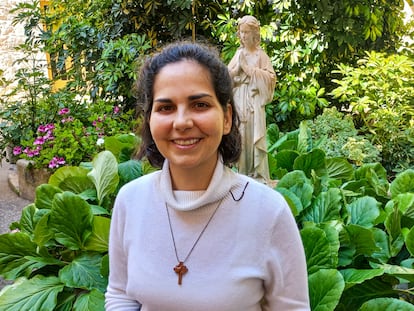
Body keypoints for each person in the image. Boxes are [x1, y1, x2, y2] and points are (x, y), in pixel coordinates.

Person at [105, 41, 309, 310]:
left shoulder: (268, 212)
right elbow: (121, 294)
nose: (182, 122)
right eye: (165, 108)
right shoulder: (131, 201)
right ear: (150, 119)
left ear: (226, 118)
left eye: (199, 105)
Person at [228, 15, 276, 182]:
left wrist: (248, 70)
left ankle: (257, 172)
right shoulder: (238, 53)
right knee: (240, 132)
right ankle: (241, 171)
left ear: (255, 34)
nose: (243, 36)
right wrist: (237, 70)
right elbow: (228, 77)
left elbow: (270, 78)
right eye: (241, 32)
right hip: (239, 97)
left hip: (254, 100)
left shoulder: (261, 56)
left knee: (254, 133)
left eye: (247, 32)